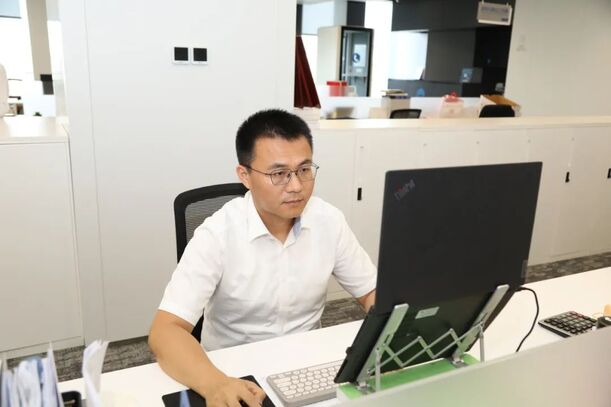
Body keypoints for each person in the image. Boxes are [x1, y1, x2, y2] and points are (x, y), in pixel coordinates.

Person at [149, 109, 376, 407]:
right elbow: (165, 332)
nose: (296, 186)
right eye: (279, 174)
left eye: (304, 169)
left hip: (307, 366)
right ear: (245, 175)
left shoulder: (329, 221)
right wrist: (215, 383)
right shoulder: (217, 234)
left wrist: (392, 339)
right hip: (232, 373)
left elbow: (372, 293)